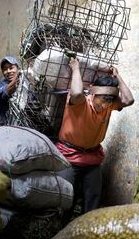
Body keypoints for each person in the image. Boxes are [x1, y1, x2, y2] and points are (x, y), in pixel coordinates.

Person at [56, 58, 134, 214]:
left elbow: (128, 99)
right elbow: (77, 91)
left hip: (92, 157)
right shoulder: (80, 103)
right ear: (94, 94)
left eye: (109, 101)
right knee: (64, 198)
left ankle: (87, 229)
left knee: (93, 198)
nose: (105, 105)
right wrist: (76, 68)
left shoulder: (109, 106)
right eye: (103, 100)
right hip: (68, 156)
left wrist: (117, 76)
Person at [0, 56, 20, 124]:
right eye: (5, 69)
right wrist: (19, 77)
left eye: (11, 68)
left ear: (18, 69)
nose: (8, 71)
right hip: (9, 125)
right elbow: (6, 91)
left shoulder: (25, 84)